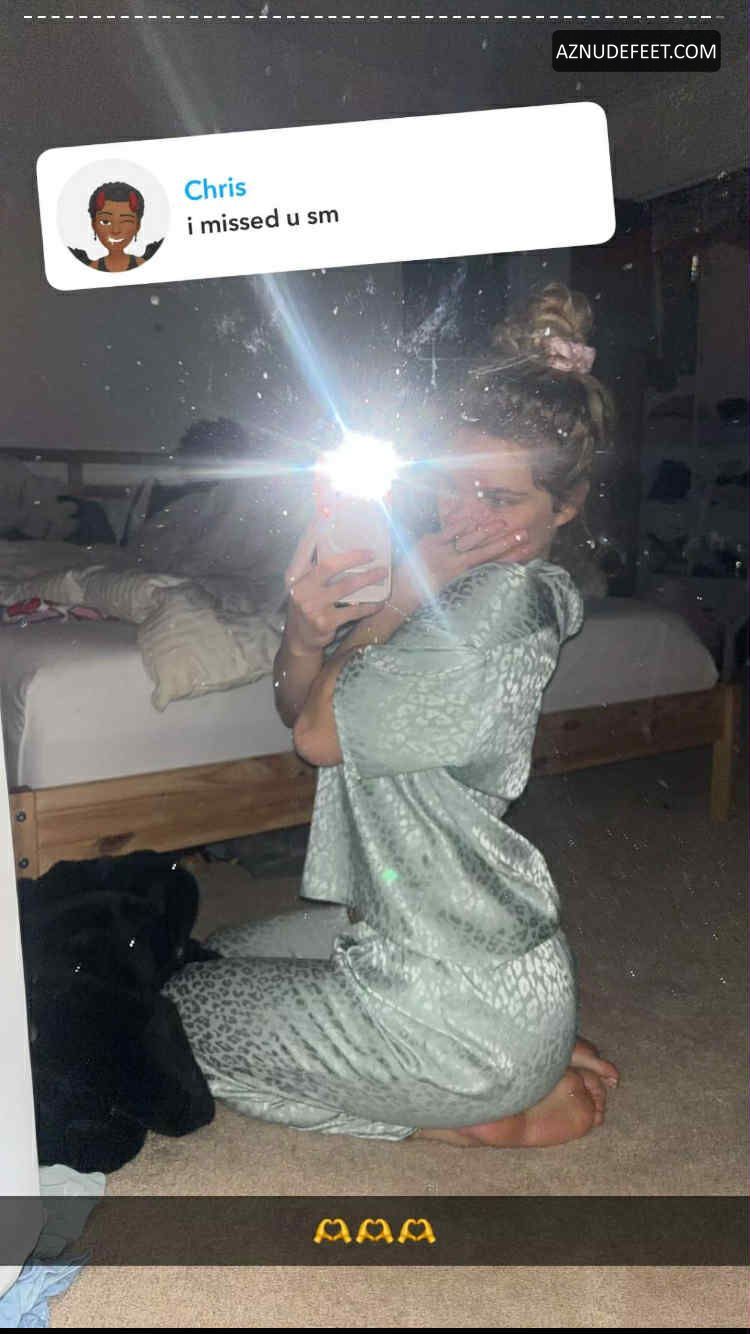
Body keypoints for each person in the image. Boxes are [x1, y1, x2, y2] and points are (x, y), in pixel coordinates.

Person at [164, 282, 619, 1148]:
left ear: (566, 505)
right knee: (218, 951)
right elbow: (308, 708)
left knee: (175, 1010)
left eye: (500, 500)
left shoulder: (486, 608)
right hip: (461, 956)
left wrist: (398, 595)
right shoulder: (467, 586)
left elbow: (314, 737)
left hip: (457, 1022)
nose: (463, 517)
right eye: (454, 486)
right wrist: (306, 631)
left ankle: (467, 1116)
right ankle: (524, 1059)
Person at [68, 182, 163, 274]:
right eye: (105, 221)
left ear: (137, 226)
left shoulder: (143, 264)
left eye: (126, 221)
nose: (115, 230)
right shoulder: (92, 267)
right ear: (93, 225)